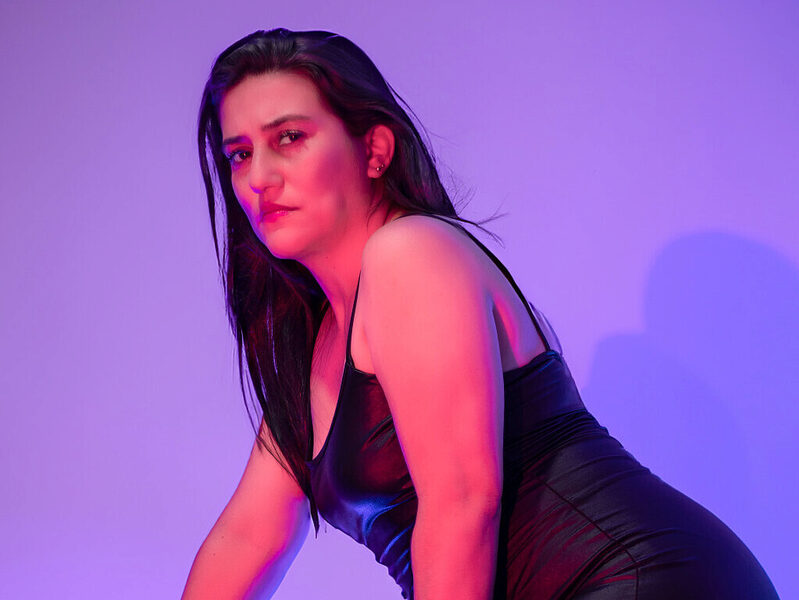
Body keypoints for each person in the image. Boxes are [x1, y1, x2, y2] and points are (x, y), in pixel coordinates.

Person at [182, 28, 779, 600]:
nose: (259, 178)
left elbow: (463, 503)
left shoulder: (410, 252)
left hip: (641, 578)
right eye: (240, 154)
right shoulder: (312, 353)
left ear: (375, 150)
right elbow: (247, 537)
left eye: (290, 137)